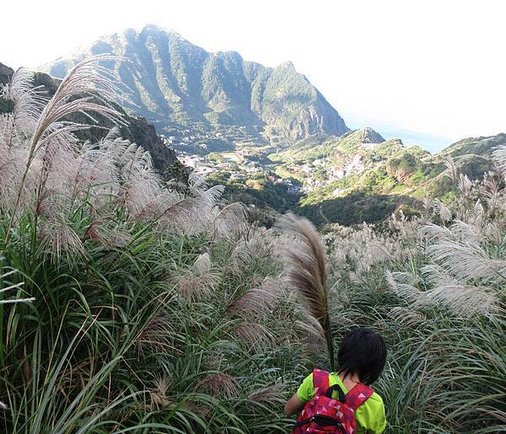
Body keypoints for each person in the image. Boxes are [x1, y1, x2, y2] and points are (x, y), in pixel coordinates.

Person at [284, 328, 388, 433]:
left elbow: (288, 410)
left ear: (343, 352)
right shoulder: (373, 402)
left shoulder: (316, 380)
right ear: (375, 365)